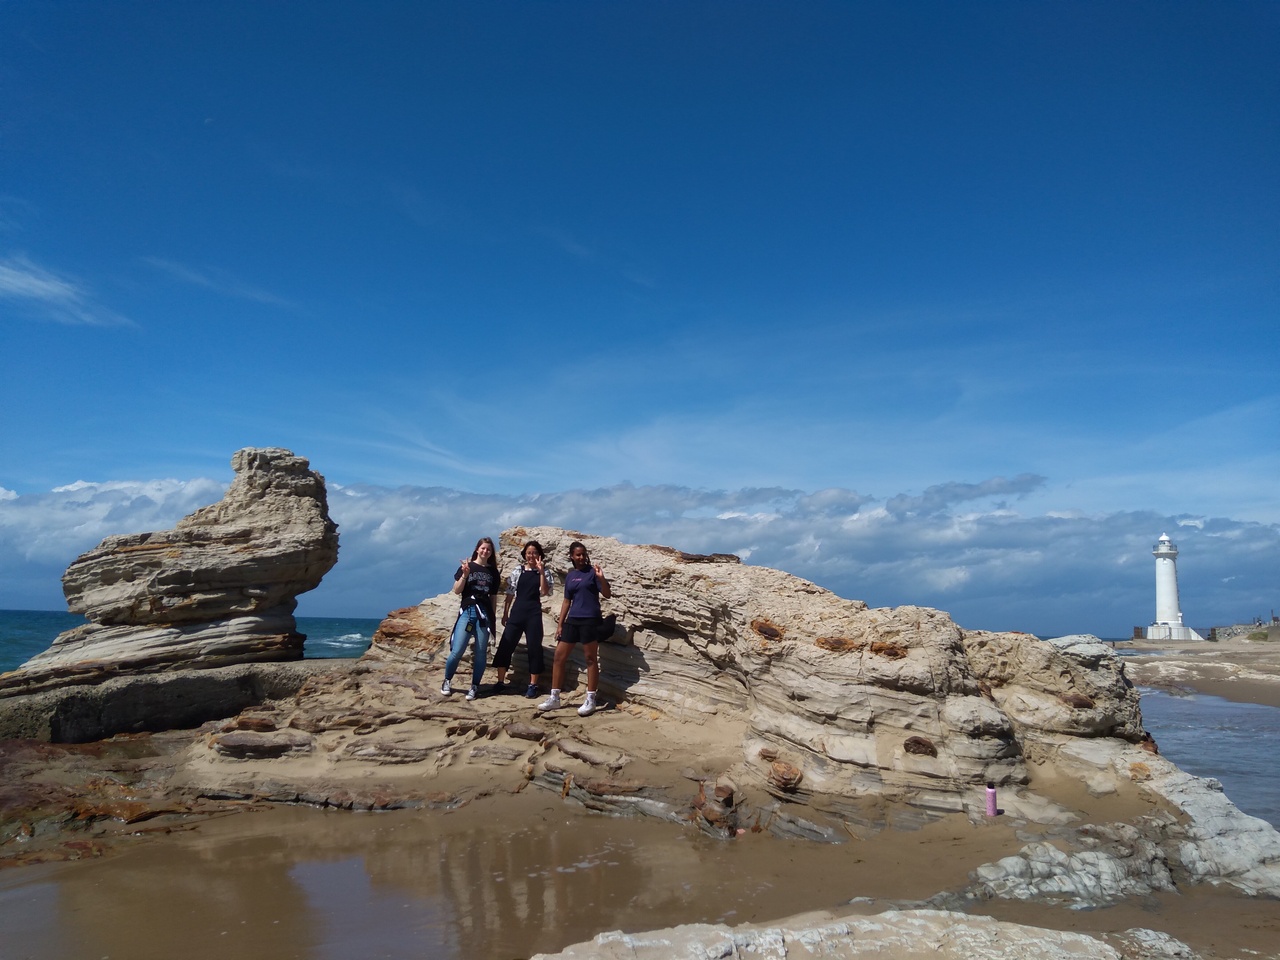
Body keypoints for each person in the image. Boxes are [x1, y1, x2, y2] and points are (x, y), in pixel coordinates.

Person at [539, 540, 611, 716]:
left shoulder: (593, 573)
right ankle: (555, 697)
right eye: (578, 554)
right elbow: (566, 601)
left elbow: (607, 594)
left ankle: (591, 699)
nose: (581, 557)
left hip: (590, 619)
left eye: (583, 554)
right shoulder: (571, 575)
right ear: (572, 556)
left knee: (590, 659)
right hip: (573, 620)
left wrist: (601, 577)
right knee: (558, 657)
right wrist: (560, 624)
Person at [491, 540, 554, 697]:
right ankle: (500, 682)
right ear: (524, 555)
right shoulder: (518, 571)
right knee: (506, 644)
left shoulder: (545, 572)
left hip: (533, 613)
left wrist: (540, 572)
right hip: (517, 611)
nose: (531, 555)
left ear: (539, 555)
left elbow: (545, 592)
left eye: (534, 552)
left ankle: (533, 685)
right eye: (529, 553)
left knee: (534, 647)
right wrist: (505, 613)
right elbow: (510, 592)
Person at [441, 537, 499, 701]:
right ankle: (447, 680)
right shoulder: (467, 567)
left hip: (484, 615)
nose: (485, 551)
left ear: (491, 552)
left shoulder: (493, 572)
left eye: (488, 549)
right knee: (457, 650)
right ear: (477, 549)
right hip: (468, 612)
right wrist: (465, 575)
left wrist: (492, 619)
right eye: (483, 548)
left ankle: (474, 687)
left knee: (481, 654)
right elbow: (457, 590)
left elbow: (493, 597)